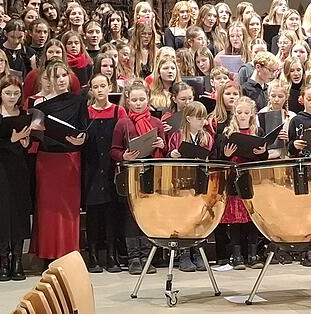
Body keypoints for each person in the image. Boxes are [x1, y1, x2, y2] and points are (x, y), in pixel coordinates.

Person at [32, 60, 88, 262]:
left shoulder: (79, 101)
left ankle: (69, 253)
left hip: (70, 159)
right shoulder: (39, 104)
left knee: (68, 209)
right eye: (56, 76)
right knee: (48, 208)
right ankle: (48, 255)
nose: (61, 80)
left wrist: (81, 138)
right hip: (47, 160)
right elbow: (35, 134)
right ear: (48, 79)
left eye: (64, 75)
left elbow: (84, 128)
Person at [110, 79, 167, 274]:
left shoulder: (156, 123)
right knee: (131, 216)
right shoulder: (123, 123)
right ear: (128, 101)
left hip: (152, 173)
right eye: (134, 100)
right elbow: (114, 150)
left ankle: (147, 257)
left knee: (148, 216)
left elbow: (165, 151)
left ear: (148, 99)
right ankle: (134, 258)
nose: (138, 103)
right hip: (131, 173)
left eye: (142, 99)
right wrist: (124, 156)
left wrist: (162, 145)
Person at [0, 75, 32, 281]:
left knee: (19, 213)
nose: (12, 97)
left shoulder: (24, 114)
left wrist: (25, 142)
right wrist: (11, 139)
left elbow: (27, 144)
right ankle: (4, 261)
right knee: (2, 214)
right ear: (0, 93)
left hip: (19, 169)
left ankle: (17, 261)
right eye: (8, 93)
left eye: (16, 93)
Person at [216, 96, 269, 270]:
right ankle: (237, 255)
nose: (243, 115)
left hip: (252, 178)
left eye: (246, 112)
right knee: (236, 219)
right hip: (235, 179)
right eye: (239, 112)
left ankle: (252, 255)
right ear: (234, 113)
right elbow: (221, 159)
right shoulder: (227, 132)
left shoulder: (257, 131)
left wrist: (262, 153)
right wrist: (226, 155)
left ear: (252, 113)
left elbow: (263, 157)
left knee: (251, 218)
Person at [82, 74, 127, 273]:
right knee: (93, 213)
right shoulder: (86, 112)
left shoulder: (118, 111)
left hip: (111, 166)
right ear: (91, 90)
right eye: (96, 87)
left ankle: (111, 255)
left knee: (111, 213)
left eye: (103, 86)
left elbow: (125, 136)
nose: (100, 90)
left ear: (110, 87)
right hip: (91, 166)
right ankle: (92, 256)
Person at [167, 101, 213, 271]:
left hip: (200, 180)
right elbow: (169, 153)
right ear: (188, 118)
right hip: (182, 181)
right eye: (199, 118)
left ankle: (198, 251)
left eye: (204, 118)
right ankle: (184, 253)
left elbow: (210, 156)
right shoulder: (177, 136)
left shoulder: (206, 137)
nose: (203, 122)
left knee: (199, 217)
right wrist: (172, 154)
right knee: (183, 217)